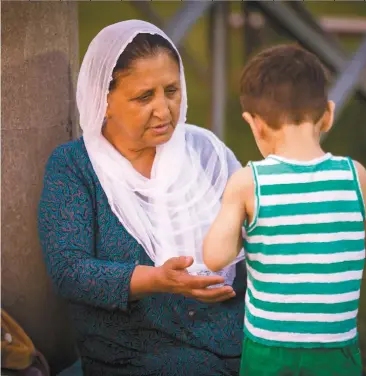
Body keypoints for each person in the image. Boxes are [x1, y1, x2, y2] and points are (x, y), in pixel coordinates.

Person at [38, 20, 246, 376]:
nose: (164, 110)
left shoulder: (204, 151)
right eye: (144, 96)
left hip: (232, 338)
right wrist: (157, 280)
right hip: (134, 352)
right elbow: (69, 270)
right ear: (103, 100)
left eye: (171, 90)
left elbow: (256, 234)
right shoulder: (75, 167)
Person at [203, 44, 366, 376]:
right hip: (337, 346)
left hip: (269, 349)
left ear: (254, 124)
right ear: (328, 114)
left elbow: (215, 258)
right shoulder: (355, 175)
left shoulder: (248, 184)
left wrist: (239, 216)